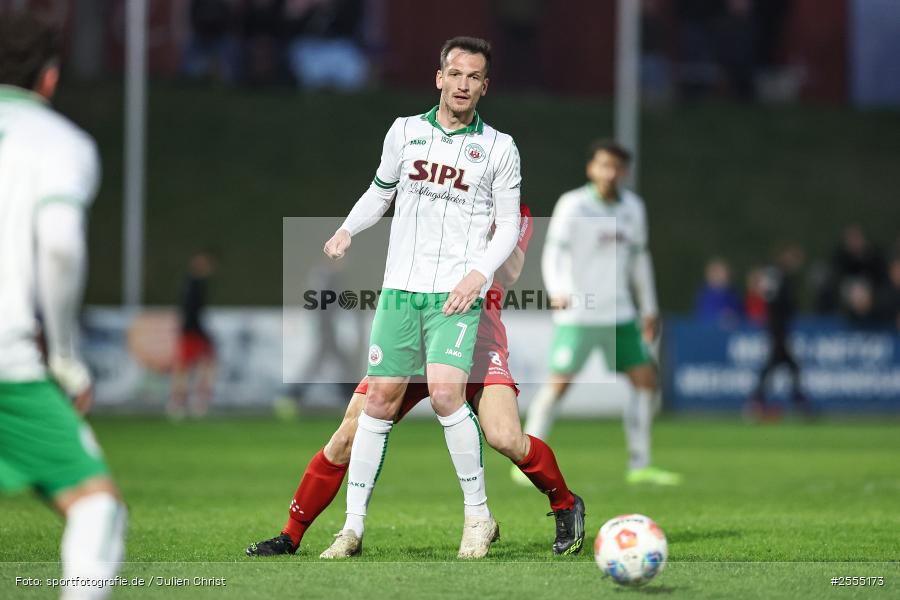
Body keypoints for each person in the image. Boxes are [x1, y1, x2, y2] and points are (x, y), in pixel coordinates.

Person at [247, 205, 586, 558]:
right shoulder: (435, 186)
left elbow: (512, 272)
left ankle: (565, 504)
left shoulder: (511, 206)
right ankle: (291, 535)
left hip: (477, 335)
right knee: (348, 434)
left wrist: (490, 226)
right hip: (414, 332)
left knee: (505, 436)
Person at [316, 36, 521, 559]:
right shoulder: (404, 132)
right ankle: (352, 529)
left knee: (449, 395)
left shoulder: (499, 147)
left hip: (455, 293)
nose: (463, 84)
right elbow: (381, 190)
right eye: (455, 74)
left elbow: (505, 227)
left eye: (474, 77)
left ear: (484, 87)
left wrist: (478, 274)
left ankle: (478, 517)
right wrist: (347, 230)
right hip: (399, 290)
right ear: (439, 77)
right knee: (378, 401)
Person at [0, 12, 127, 599]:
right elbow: (58, 244)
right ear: (49, 78)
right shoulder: (59, 143)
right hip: (9, 365)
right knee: (96, 509)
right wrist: (67, 357)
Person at [520, 139, 682, 486]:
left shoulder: (633, 208)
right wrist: (558, 290)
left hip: (620, 313)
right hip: (579, 312)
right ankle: (527, 460)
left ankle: (640, 464)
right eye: (603, 165)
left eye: (616, 167)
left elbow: (640, 259)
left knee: (645, 383)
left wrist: (649, 307)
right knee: (558, 385)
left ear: (624, 172)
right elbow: (553, 253)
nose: (610, 173)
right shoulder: (574, 204)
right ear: (591, 168)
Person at [745, 244, 812, 420]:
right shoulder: (775, 274)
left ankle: (759, 401)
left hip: (779, 327)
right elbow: (768, 296)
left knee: (782, 365)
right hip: (776, 327)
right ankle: (760, 402)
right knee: (784, 365)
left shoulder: (782, 275)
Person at [167, 250, 217, 418]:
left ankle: (185, 401)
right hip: (192, 331)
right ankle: (186, 401)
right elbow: (190, 312)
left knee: (196, 365)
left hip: (192, 330)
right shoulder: (193, 284)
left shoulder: (193, 283)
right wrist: (200, 333)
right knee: (190, 366)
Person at [694, 257, 743, 324]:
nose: (724, 277)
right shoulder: (705, 296)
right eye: (720, 273)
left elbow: (742, 314)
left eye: (726, 273)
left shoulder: (734, 294)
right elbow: (705, 317)